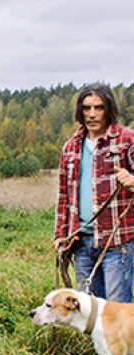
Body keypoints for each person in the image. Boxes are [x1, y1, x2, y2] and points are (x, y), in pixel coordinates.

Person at [54, 83, 134, 302]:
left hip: (116, 243)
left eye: (98, 107)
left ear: (108, 109)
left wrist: (132, 180)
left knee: (117, 311)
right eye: (86, 108)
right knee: (89, 311)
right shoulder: (70, 147)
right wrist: (61, 234)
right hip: (81, 242)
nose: (92, 114)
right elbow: (63, 196)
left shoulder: (127, 140)